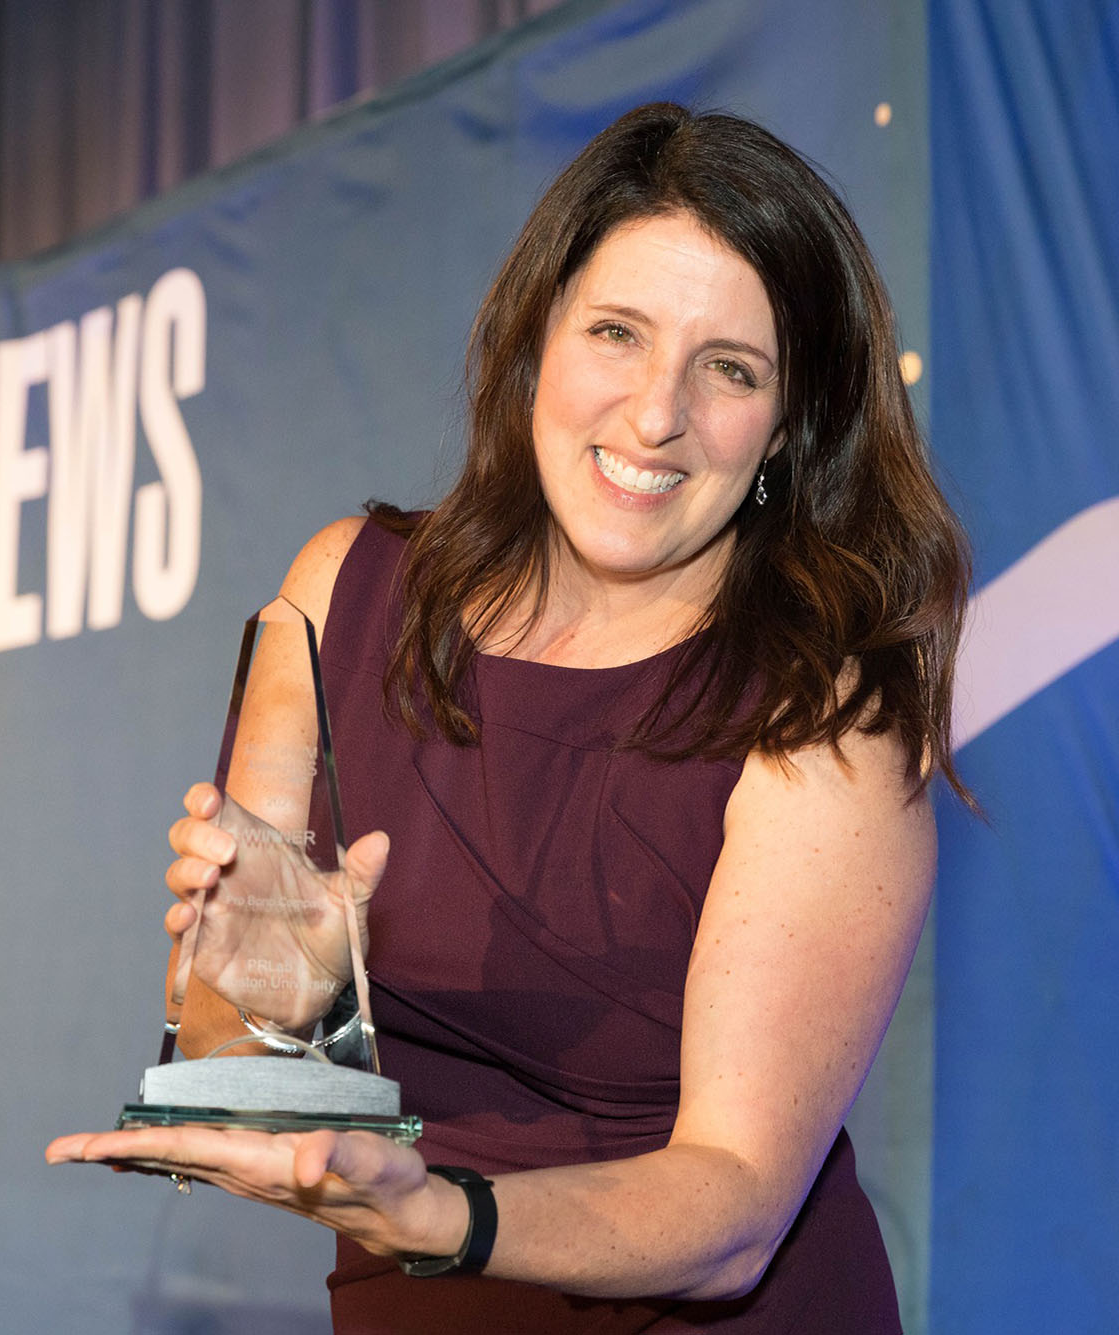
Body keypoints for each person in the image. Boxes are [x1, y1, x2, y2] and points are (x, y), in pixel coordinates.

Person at [49, 102, 971, 1333]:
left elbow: (736, 1209)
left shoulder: (824, 715)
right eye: (616, 334)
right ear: (537, 341)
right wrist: (272, 989)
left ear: (786, 430)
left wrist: (445, 1213)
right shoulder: (346, 590)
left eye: (729, 369)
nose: (655, 415)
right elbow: (236, 1042)